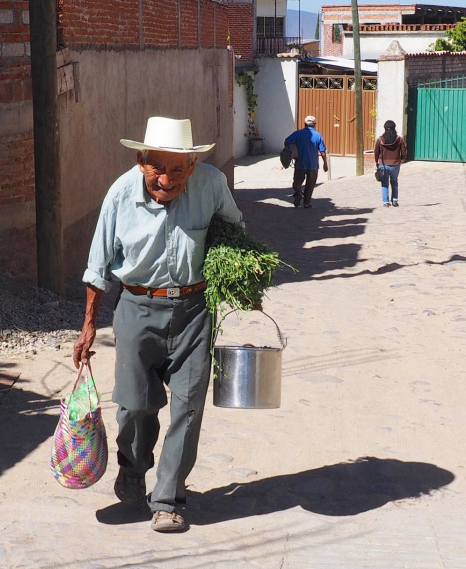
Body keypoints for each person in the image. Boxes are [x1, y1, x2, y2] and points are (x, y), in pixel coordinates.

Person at [73, 116, 243, 533]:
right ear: (141, 160)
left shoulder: (211, 184)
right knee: (134, 405)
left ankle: (167, 498)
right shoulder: (120, 193)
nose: (167, 179)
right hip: (136, 307)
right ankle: (133, 467)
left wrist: (241, 276)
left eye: (178, 169)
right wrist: (89, 325)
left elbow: (235, 231)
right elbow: (98, 267)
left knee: (188, 407)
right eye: (158, 168)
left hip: (195, 310)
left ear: (192, 165)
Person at [284, 115, 328, 209]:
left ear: (305, 124)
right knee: (310, 184)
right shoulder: (318, 135)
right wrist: (325, 164)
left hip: (300, 163)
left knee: (297, 182)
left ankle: (298, 192)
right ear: (314, 125)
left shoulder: (297, 134)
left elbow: (287, 141)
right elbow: (323, 152)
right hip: (313, 165)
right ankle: (307, 203)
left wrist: (293, 150)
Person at [374, 120, 407, 207]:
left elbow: (376, 152)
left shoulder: (380, 139)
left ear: (385, 129)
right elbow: (404, 152)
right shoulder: (399, 139)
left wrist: (377, 162)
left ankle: (386, 202)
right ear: (394, 128)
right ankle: (395, 200)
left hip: (383, 165)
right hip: (395, 164)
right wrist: (401, 159)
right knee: (394, 181)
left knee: (385, 183)